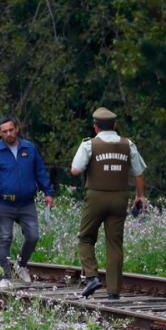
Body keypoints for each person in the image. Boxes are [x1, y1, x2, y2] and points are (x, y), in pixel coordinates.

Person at [69, 107, 146, 299]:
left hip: (96, 196)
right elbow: (138, 172)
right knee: (114, 243)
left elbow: (75, 170)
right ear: (115, 125)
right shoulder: (128, 144)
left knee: (86, 238)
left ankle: (92, 276)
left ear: (95, 127)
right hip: (120, 197)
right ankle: (114, 290)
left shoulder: (89, 145)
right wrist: (140, 195)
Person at [0, 115, 56, 286]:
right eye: (4, 131)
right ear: (0, 133)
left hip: (26, 202)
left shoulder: (30, 148)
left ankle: (21, 265)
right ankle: (5, 276)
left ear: (17, 129)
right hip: (4, 203)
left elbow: (40, 171)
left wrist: (48, 192)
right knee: (5, 237)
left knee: (33, 236)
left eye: (11, 130)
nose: (8, 134)